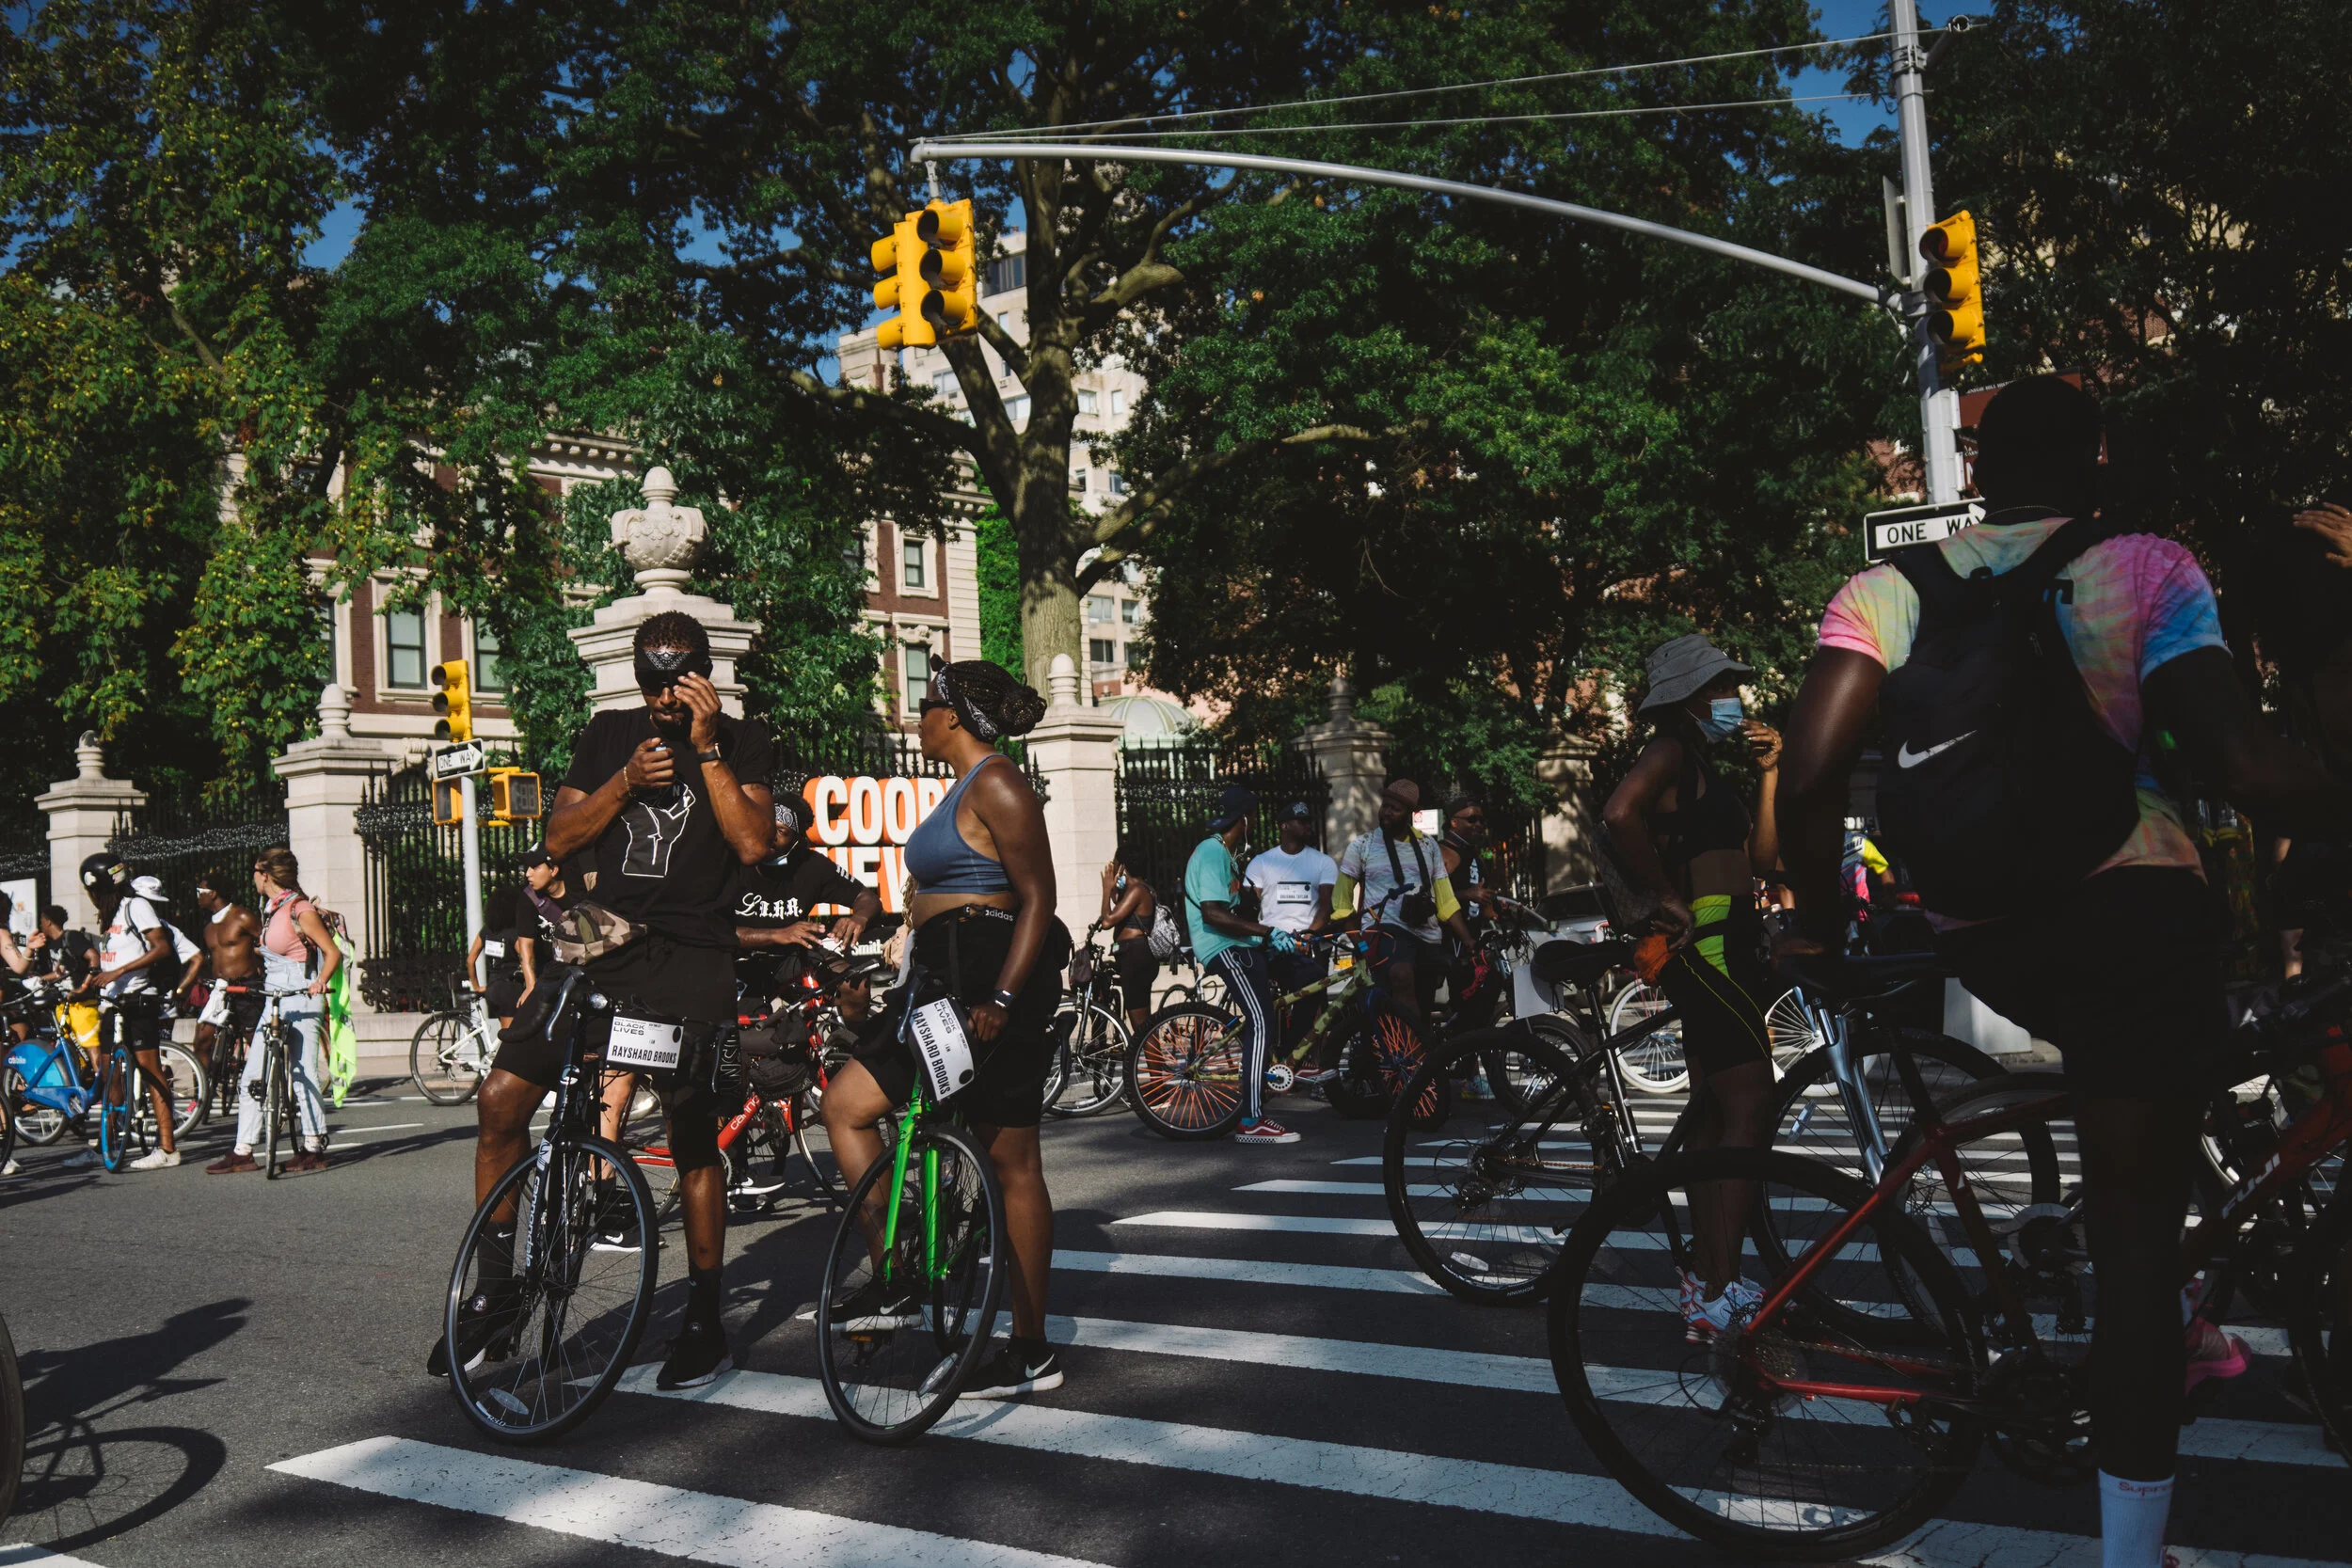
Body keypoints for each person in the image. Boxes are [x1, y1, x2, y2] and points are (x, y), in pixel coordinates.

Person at [1772, 373, 2351, 1568]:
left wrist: (1823, 929)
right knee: (2138, 1231)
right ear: (2096, 457)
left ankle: (2161, 1290)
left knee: (2156, 1100)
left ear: (1977, 468)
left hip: (1984, 929)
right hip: (2133, 908)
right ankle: (2135, 1523)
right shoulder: (2147, 566)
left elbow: (1814, 773)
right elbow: (2238, 760)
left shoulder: (1883, 591)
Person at [432, 611, 774, 1390]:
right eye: (650, 682)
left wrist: (708, 747)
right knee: (500, 1100)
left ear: (703, 675)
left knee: (693, 1135)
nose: (662, 697)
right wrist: (625, 783)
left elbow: (754, 843)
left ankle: (704, 1318)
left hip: (691, 950)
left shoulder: (744, 738)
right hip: (599, 935)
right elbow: (556, 838)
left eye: (677, 681)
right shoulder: (608, 731)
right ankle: (494, 1288)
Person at [819, 659, 1067, 1399]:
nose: (915, 718)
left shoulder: (998, 781)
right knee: (847, 1106)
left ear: (953, 716)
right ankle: (896, 1268)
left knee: (1011, 1162)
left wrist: (1002, 993)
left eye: (924, 706)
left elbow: (1038, 898)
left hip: (989, 980)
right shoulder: (958, 788)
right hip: (935, 981)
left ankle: (1030, 1350)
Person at [1598, 633, 1784, 1339]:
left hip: (1730, 946)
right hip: (1705, 950)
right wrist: (1663, 896)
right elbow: (1620, 813)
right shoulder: (1669, 750)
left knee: (1712, 1121)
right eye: (1719, 690)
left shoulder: (1706, 761)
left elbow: (1762, 859)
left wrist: (1771, 772)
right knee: (1751, 1107)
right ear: (1687, 701)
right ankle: (1719, 1286)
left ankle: (1710, 1280)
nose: (1732, 699)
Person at [206, 847, 340, 1175]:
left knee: (302, 1073)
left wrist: (320, 981)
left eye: (254, 871)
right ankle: (243, 1151)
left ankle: (313, 1146)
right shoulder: (270, 909)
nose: (251, 877)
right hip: (275, 995)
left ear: (265, 874)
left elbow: (332, 953)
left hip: (303, 994)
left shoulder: (300, 908)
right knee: (253, 1074)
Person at [1183, 785, 1304, 1144]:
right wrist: (1267, 931)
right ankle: (1252, 1119)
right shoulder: (1211, 852)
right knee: (1261, 1018)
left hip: (1239, 945)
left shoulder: (1227, 855)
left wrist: (1265, 938)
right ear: (1245, 819)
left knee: (1304, 976)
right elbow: (1213, 912)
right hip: (1222, 948)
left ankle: (1292, 1064)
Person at [71, 857, 184, 1172]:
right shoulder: (110, 915)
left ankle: (167, 1148)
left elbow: (161, 948)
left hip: (139, 999)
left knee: (150, 1071)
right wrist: (94, 981)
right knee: (109, 1075)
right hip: (113, 1002)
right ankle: (105, 1142)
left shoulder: (136, 906)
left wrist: (120, 971)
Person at [1334, 779, 1474, 1028]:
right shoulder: (1362, 846)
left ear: (1411, 814)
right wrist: (1359, 943)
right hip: (1385, 932)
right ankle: (1414, 1049)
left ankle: (1417, 1053)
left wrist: (1468, 940)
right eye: (1384, 805)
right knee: (1401, 975)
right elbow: (1341, 900)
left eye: (1395, 808)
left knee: (1422, 1001)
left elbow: (1446, 899)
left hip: (1427, 937)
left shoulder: (1428, 845)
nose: (1386, 812)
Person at [1244, 802, 1337, 1069]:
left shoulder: (1323, 862)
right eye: (1301, 821)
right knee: (1266, 1002)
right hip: (1272, 943)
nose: (1308, 825)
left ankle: (1309, 1061)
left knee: (1314, 998)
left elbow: (1325, 906)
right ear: (1284, 826)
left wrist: (1308, 936)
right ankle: (1268, 1057)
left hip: (1311, 941)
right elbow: (1254, 905)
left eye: (1309, 820)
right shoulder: (1262, 862)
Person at [189, 871, 262, 1094]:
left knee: (254, 1037)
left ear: (214, 894)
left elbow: (266, 943)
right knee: (202, 1039)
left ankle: (271, 1080)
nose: (197, 896)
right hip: (221, 988)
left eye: (200, 892)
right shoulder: (209, 927)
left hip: (245, 985)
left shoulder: (242, 917)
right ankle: (202, 1093)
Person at [1097, 844, 1162, 1035]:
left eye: (1116, 863)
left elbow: (1107, 921)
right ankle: (1154, 1064)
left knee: (1141, 1026)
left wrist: (1106, 889)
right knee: (1143, 1023)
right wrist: (1115, 889)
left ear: (1123, 866)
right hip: (1133, 957)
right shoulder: (1136, 890)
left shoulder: (1138, 891)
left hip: (1135, 957)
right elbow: (1119, 905)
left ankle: (1156, 1065)